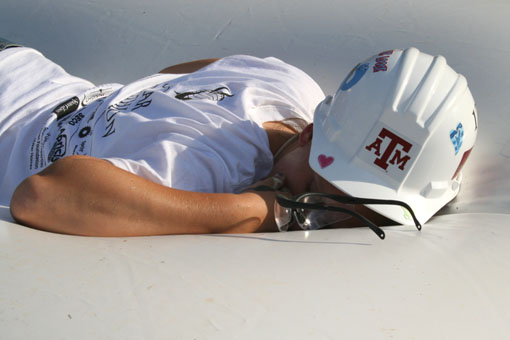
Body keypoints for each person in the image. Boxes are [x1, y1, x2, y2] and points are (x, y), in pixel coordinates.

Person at [1, 41, 477, 238]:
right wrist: (255, 208)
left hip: (26, 68)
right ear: (308, 133)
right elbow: (41, 195)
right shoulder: (209, 171)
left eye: (363, 210)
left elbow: (178, 73)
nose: (323, 218)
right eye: (318, 190)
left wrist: (128, 116)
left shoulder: (291, 84)